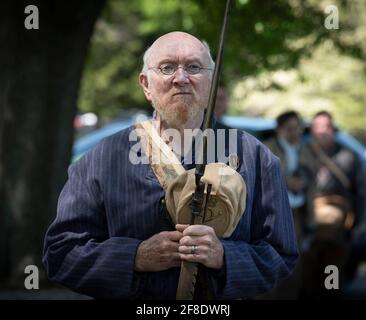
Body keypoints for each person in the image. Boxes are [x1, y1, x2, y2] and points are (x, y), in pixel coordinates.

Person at [43, 31, 298, 299]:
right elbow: (61, 254)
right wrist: (135, 257)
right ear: (145, 84)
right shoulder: (102, 159)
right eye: (167, 68)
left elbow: (281, 254)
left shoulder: (254, 156)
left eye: (194, 67)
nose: (181, 78)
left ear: (211, 82)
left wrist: (224, 256)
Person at [301, 111, 365, 298]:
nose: (322, 131)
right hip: (309, 225)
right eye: (318, 127)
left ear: (333, 129)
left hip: (339, 228)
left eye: (326, 127)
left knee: (332, 274)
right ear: (312, 130)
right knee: (306, 275)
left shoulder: (348, 156)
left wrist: (359, 225)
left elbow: (360, 193)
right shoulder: (303, 154)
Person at [263, 111, 314, 299]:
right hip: (273, 213)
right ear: (280, 130)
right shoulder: (267, 148)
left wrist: (303, 181)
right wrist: (287, 181)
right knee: (271, 259)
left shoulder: (306, 150)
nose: (295, 132)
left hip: (298, 212)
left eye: (298, 128)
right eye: (290, 128)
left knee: (295, 262)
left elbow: (312, 179)